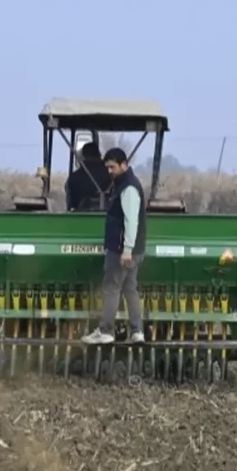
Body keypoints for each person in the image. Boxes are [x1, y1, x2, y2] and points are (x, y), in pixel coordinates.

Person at [81, 147, 147, 345]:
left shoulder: (128, 188)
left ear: (124, 165)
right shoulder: (123, 184)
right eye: (107, 167)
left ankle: (106, 331)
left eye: (112, 167)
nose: (109, 171)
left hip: (122, 250)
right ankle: (137, 332)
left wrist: (126, 249)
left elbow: (131, 221)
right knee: (130, 289)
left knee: (111, 288)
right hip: (130, 250)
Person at [64, 142, 111, 211]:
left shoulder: (74, 177)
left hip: (81, 216)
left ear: (83, 156)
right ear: (99, 155)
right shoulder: (112, 175)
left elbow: (71, 203)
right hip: (111, 215)